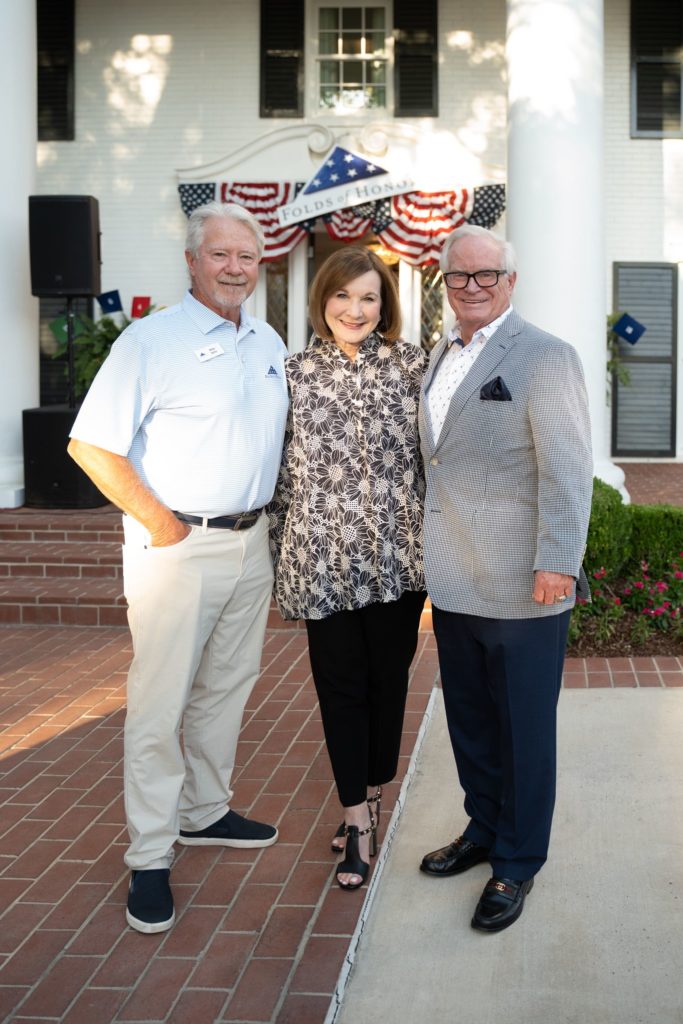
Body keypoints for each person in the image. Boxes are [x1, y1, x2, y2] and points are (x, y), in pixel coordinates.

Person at [67, 201, 289, 934]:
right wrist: (161, 525)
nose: (235, 268)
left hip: (249, 542)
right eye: (221, 255)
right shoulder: (149, 340)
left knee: (226, 687)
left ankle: (204, 811)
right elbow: (93, 445)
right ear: (192, 262)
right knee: (160, 706)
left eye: (247, 257)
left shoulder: (265, 338)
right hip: (177, 548)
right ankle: (152, 856)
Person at [418, 224, 593, 932]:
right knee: (471, 723)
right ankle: (483, 829)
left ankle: (517, 864)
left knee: (523, 730)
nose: (471, 288)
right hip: (454, 577)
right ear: (444, 283)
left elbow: (568, 467)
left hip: (524, 580)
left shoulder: (546, 356)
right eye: (458, 277)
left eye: (485, 276)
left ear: (509, 282)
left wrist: (558, 559)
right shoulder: (439, 355)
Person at [269, 246, 427, 891]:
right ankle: (355, 820)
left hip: (396, 552)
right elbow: (281, 472)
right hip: (322, 554)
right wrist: (285, 554)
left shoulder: (415, 366)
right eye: (343, 296)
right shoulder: (293, 372)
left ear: (384, 304)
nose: (355, 310)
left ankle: (373, 787)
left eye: (369, 297)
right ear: (322, 300)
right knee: (340, 688)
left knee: (387, 682)